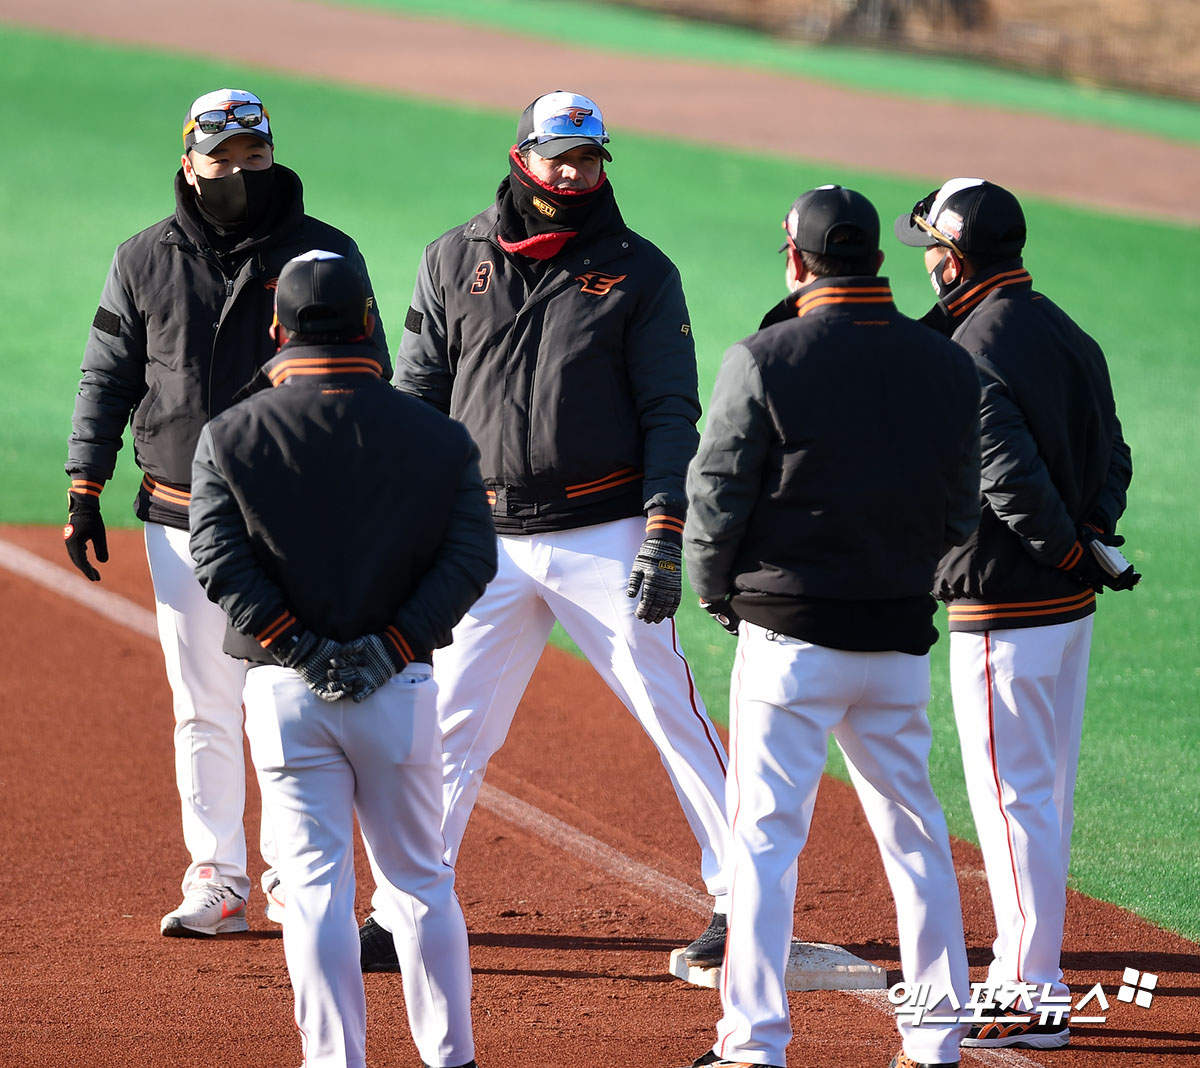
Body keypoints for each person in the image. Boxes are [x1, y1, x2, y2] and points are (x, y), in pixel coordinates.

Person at [357, 90, 732, 971]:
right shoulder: (453, 258)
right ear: (524, 155)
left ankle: (742, 896)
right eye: (558, 155)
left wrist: (664, 526)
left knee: (670, 709)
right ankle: (406, 906)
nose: (573, 172)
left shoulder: (642, 273)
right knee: (447, 725)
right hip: (483, 538)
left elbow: (673, 410)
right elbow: (418, 391)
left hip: (603, 532)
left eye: (589, 158)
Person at [64, 88, 388, 936]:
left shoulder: (325, 254)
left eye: (254, 154)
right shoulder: (142, 259)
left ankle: (290, 877)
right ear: (188, 162)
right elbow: (108, 377)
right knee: (203, 703)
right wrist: (83, 482)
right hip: (177, 513)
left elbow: (370, 377)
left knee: (287, 701)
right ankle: (218, 877)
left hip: (292, 521)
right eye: (222, 156)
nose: (240, 170)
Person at [682, 185, 982, 1068]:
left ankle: (754, 1045)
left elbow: (716, 495)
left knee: (765, 844)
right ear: (876, 261)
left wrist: (714, 590)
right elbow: (961, 512)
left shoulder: (767, 356)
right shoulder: (945, 361)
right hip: (895, 640)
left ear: (796, 259)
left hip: (788, 639)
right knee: (918, 839)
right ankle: (934, 1044)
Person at [188, 250, 493, 1068]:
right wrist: (388, 649)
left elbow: (218, 562)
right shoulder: (437, 436)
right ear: (368, 323)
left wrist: (301, 648)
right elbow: (470, 562)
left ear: (279, 329)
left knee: (316, 887)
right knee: (419, 881)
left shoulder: (231, 433)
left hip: (285, 692)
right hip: (399, 690)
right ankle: (451, 1057)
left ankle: (334, 1061)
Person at [894, 178, 1138, 1051]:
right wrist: (1094, 537)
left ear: (955, 257)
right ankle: (1018, 970)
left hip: (1006, 602)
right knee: (1040, 798)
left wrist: (1064, 545)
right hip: (1064, 610)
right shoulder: (1060, 326)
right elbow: (1116, 450)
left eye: (930, 244)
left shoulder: (972, 343)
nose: (923, 258)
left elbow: (1005, 473)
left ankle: (1033, 992)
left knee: (1012, 803)